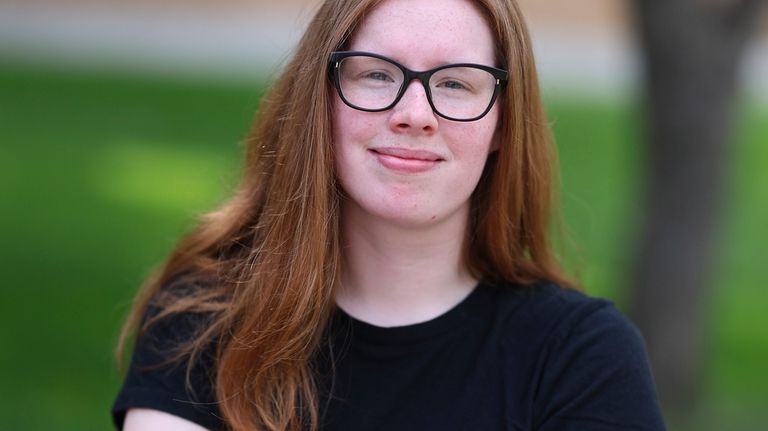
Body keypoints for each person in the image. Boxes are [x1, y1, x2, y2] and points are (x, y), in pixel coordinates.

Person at [113, 0, 666, 430]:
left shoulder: (580, 359)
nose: (413, 115)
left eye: (454, 83)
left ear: (501, 124)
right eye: (376, 74)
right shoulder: (205, 320)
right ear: (321, 100)